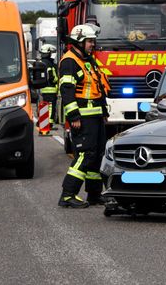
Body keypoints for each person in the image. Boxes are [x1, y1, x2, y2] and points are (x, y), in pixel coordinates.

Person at [57, 24, 111, 208]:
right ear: (79, 41)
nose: (92, 44)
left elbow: (98, 87)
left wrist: (104, 112)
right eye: (89, 41)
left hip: (95, 116)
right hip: (82, 117)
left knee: (97, 155)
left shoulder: (88, 60)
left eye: (93, 41)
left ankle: (94, 194)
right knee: (85, 155)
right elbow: (67, 90)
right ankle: (67, 195)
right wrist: (73, 116)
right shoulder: (69, 61)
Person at [38, 44, 59, 128]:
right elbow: (52, 77)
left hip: (43, 88)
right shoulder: (49, 63)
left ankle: (43, 124)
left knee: (44, 106)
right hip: (51, 88)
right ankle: (49, 123)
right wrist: (56, 80)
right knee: (51, 106)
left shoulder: (41, 62)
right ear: (48, 53)